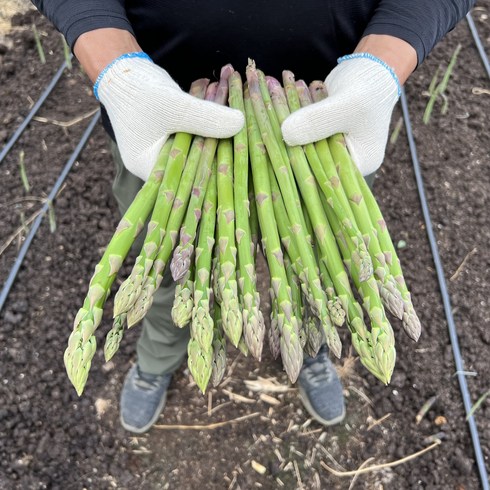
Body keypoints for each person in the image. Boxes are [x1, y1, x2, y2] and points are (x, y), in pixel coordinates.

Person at [32, 0, 475, 434]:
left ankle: (316, 338)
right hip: (167, 129)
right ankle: (158, 358)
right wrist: (114, 67)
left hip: (325, 131)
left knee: (326, 264)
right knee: (171, 268)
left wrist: (385, 62)